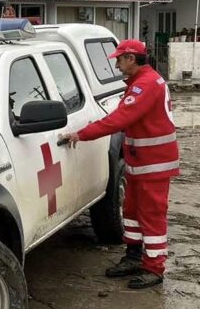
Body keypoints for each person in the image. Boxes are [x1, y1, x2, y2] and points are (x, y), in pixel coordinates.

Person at [58, 39, 179, 289]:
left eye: (120, 59)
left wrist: (82, 133)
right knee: (132, 212)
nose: (117, 63)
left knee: (152, 216)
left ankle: (154, 268)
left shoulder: (144, 85)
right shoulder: (143, 81)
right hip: (141, 161)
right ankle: (134, 256)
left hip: (152, 164)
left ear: (131, 58)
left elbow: (119, 119)